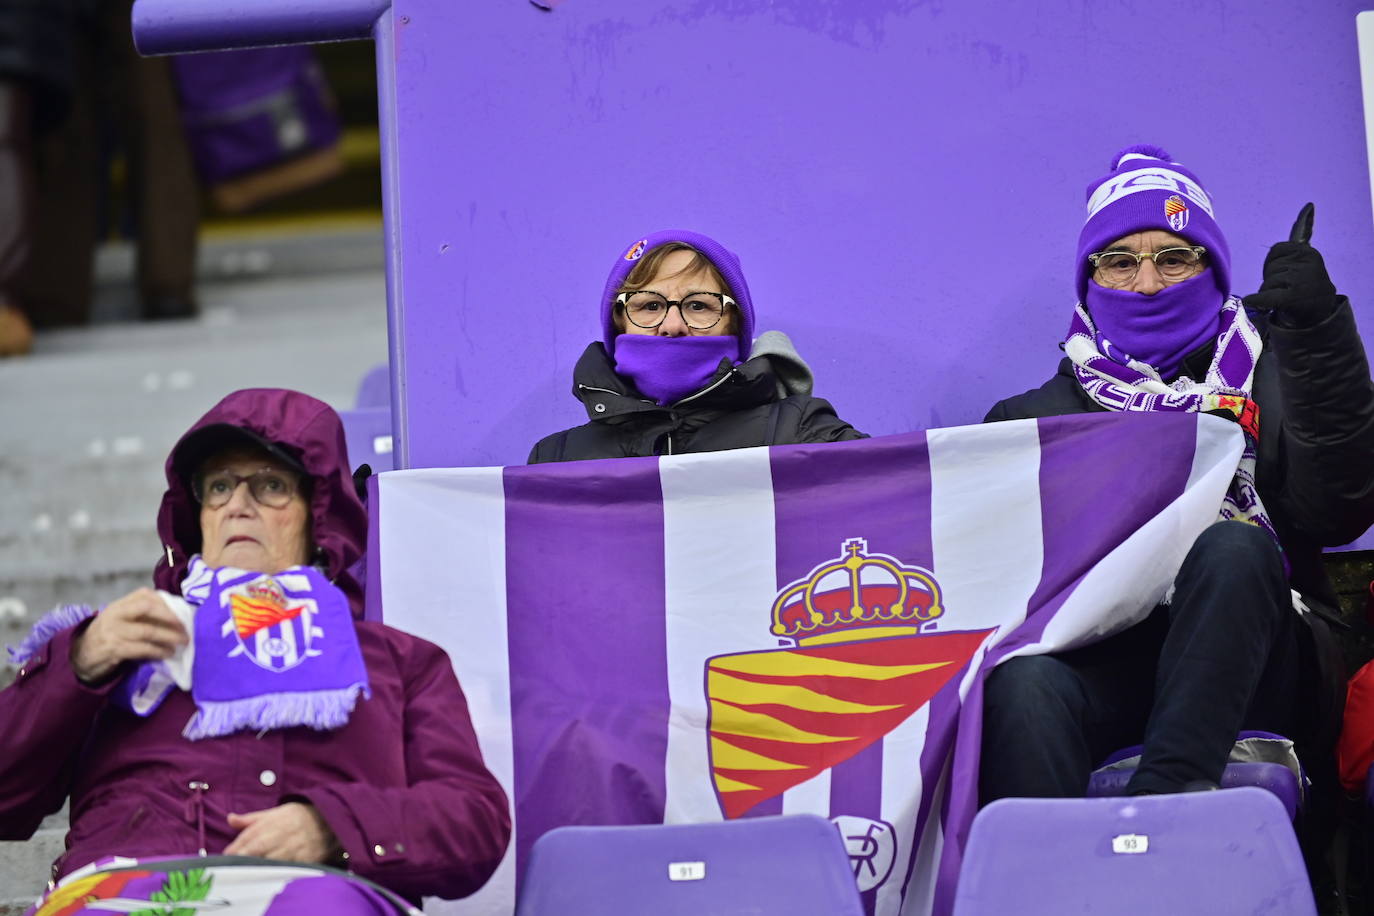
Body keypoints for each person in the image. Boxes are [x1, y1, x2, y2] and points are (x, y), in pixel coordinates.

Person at [0, 388, 509, 908]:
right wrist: (77, 665)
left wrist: (336, 826)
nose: (238, 506)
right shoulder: (120, 642)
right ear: (198, 518)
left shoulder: (400, 662)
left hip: (316, 894)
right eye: (219, 486)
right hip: (126, 887)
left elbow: (475, 820)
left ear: (319, 519)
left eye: (270, 486)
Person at [978, 145, 1374, 802]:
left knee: (1233, 547)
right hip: (1113, 655)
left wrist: (1318, 339)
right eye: (1120, 262)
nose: (1149, 284)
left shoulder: (1278, 369)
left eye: (1174, 258)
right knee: (1024, 686)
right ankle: (1049, 879)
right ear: (1088, 281)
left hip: (1262, 653)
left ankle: (1167, 809)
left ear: (1213, 268)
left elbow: (1339, 510)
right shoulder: (1029, 421)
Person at [528, 229, 863, 462]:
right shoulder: (557, 459)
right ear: (619, 322)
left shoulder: (800, 432)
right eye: (650, 306)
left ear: (735, 324)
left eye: (699, 305)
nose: (673, 327)